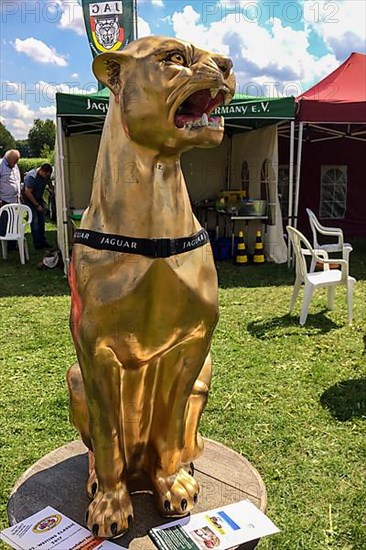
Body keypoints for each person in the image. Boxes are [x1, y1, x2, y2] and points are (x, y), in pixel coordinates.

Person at [23, 163, 53, 249]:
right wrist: (37, 205)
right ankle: (37, 244)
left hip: (39, 199)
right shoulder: (32, 177)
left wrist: (52, 190)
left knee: (41, 221)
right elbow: (27, 192)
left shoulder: (45, 176)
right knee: (35, 221)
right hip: (30, 201)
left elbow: (49, 183)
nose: (46, 178)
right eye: (46, 175)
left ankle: (42, 241)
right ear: (42, 171)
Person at [0, 149, 21, 247]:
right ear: (8, 159)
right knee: (5, 223)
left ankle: (12, 244)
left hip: (15, 199)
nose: (15, 164)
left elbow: (16, 178)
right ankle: (4, 244)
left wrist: (19, 192)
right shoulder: (1, 165)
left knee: (14, 222)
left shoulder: (15, 165)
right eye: (14, 162)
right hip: (4, 200)